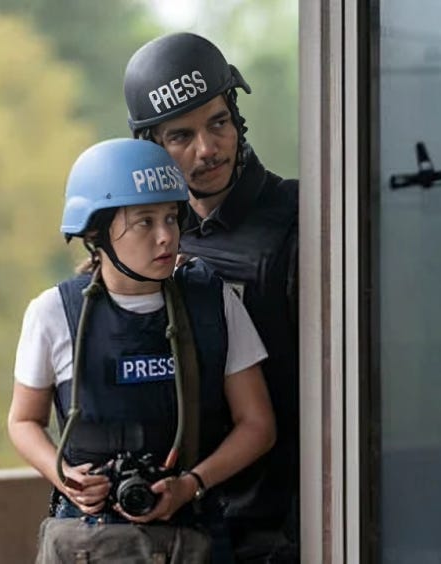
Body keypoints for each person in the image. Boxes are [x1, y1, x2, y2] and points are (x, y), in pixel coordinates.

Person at [7, 138, 276, 563]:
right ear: (97, 234)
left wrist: (191, 484)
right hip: (87, 539)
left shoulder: (215, 303)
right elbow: (23, 420)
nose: (166, 236)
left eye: (171, 217)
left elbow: (257, 424)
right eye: (144, 222)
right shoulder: (53, 313)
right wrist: (62, 475)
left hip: (192, 534)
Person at [123, 32, 300, 562]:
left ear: (237, 119)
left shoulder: (302, 218)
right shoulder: (150, 244)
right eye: (181, 136)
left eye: (218, 123)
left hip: (288, 522)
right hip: (186, 525)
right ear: (152, 145)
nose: (207, 149)